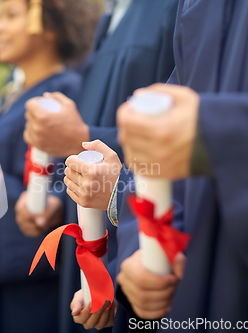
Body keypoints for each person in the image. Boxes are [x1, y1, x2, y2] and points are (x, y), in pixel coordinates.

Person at [15, 0, 179, 331]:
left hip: (136, 253)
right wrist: (55, 203)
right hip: (85, 249)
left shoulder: (172, 8)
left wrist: (81, 137)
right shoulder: (112, 19)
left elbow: (175, 136)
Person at [0, 0, 99, 332]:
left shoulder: (62, 95)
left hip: (18, 288)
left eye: (11, 16)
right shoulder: (13, 95)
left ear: (49, 24)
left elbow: (43, 203)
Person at [115, 0, 248, 331]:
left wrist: (224, 137)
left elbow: (197, 129)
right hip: (188, 290)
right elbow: (167, 128)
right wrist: (142, 247)